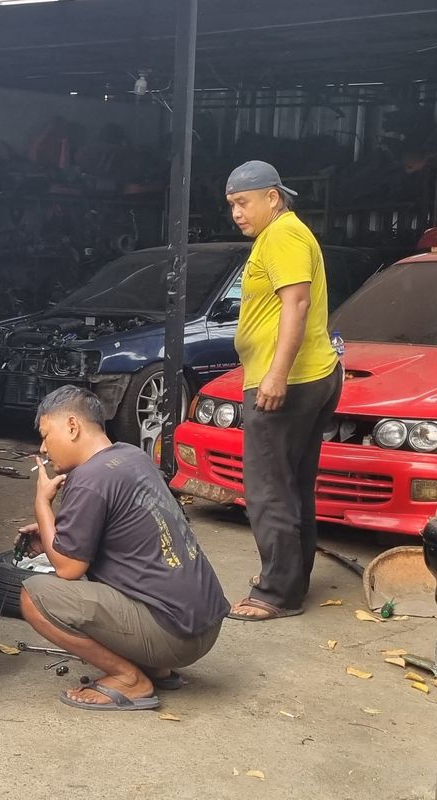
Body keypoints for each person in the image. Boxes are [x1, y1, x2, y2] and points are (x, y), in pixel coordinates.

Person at [16, 386, 229, 711]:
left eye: (46, 435)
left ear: (72, 426)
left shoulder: (89, 478)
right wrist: (52, 533)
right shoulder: (130, 456)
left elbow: (68, 568)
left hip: (175, 634)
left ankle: (129, 678)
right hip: (205, 624)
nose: (43, 448)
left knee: (33, 597)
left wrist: (42, 504)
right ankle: (155, 666)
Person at [224, 160, 342, 621]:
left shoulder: (284, 235)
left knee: (269, 490)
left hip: (289, 381)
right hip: (306, 375)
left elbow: (296, 303)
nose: (236, 212)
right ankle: (289, 581)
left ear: (272, 197)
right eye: (232, 204)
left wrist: (276, 374)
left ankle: (275, 593)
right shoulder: (280, 235)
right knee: (292, 487)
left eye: (243, 202)